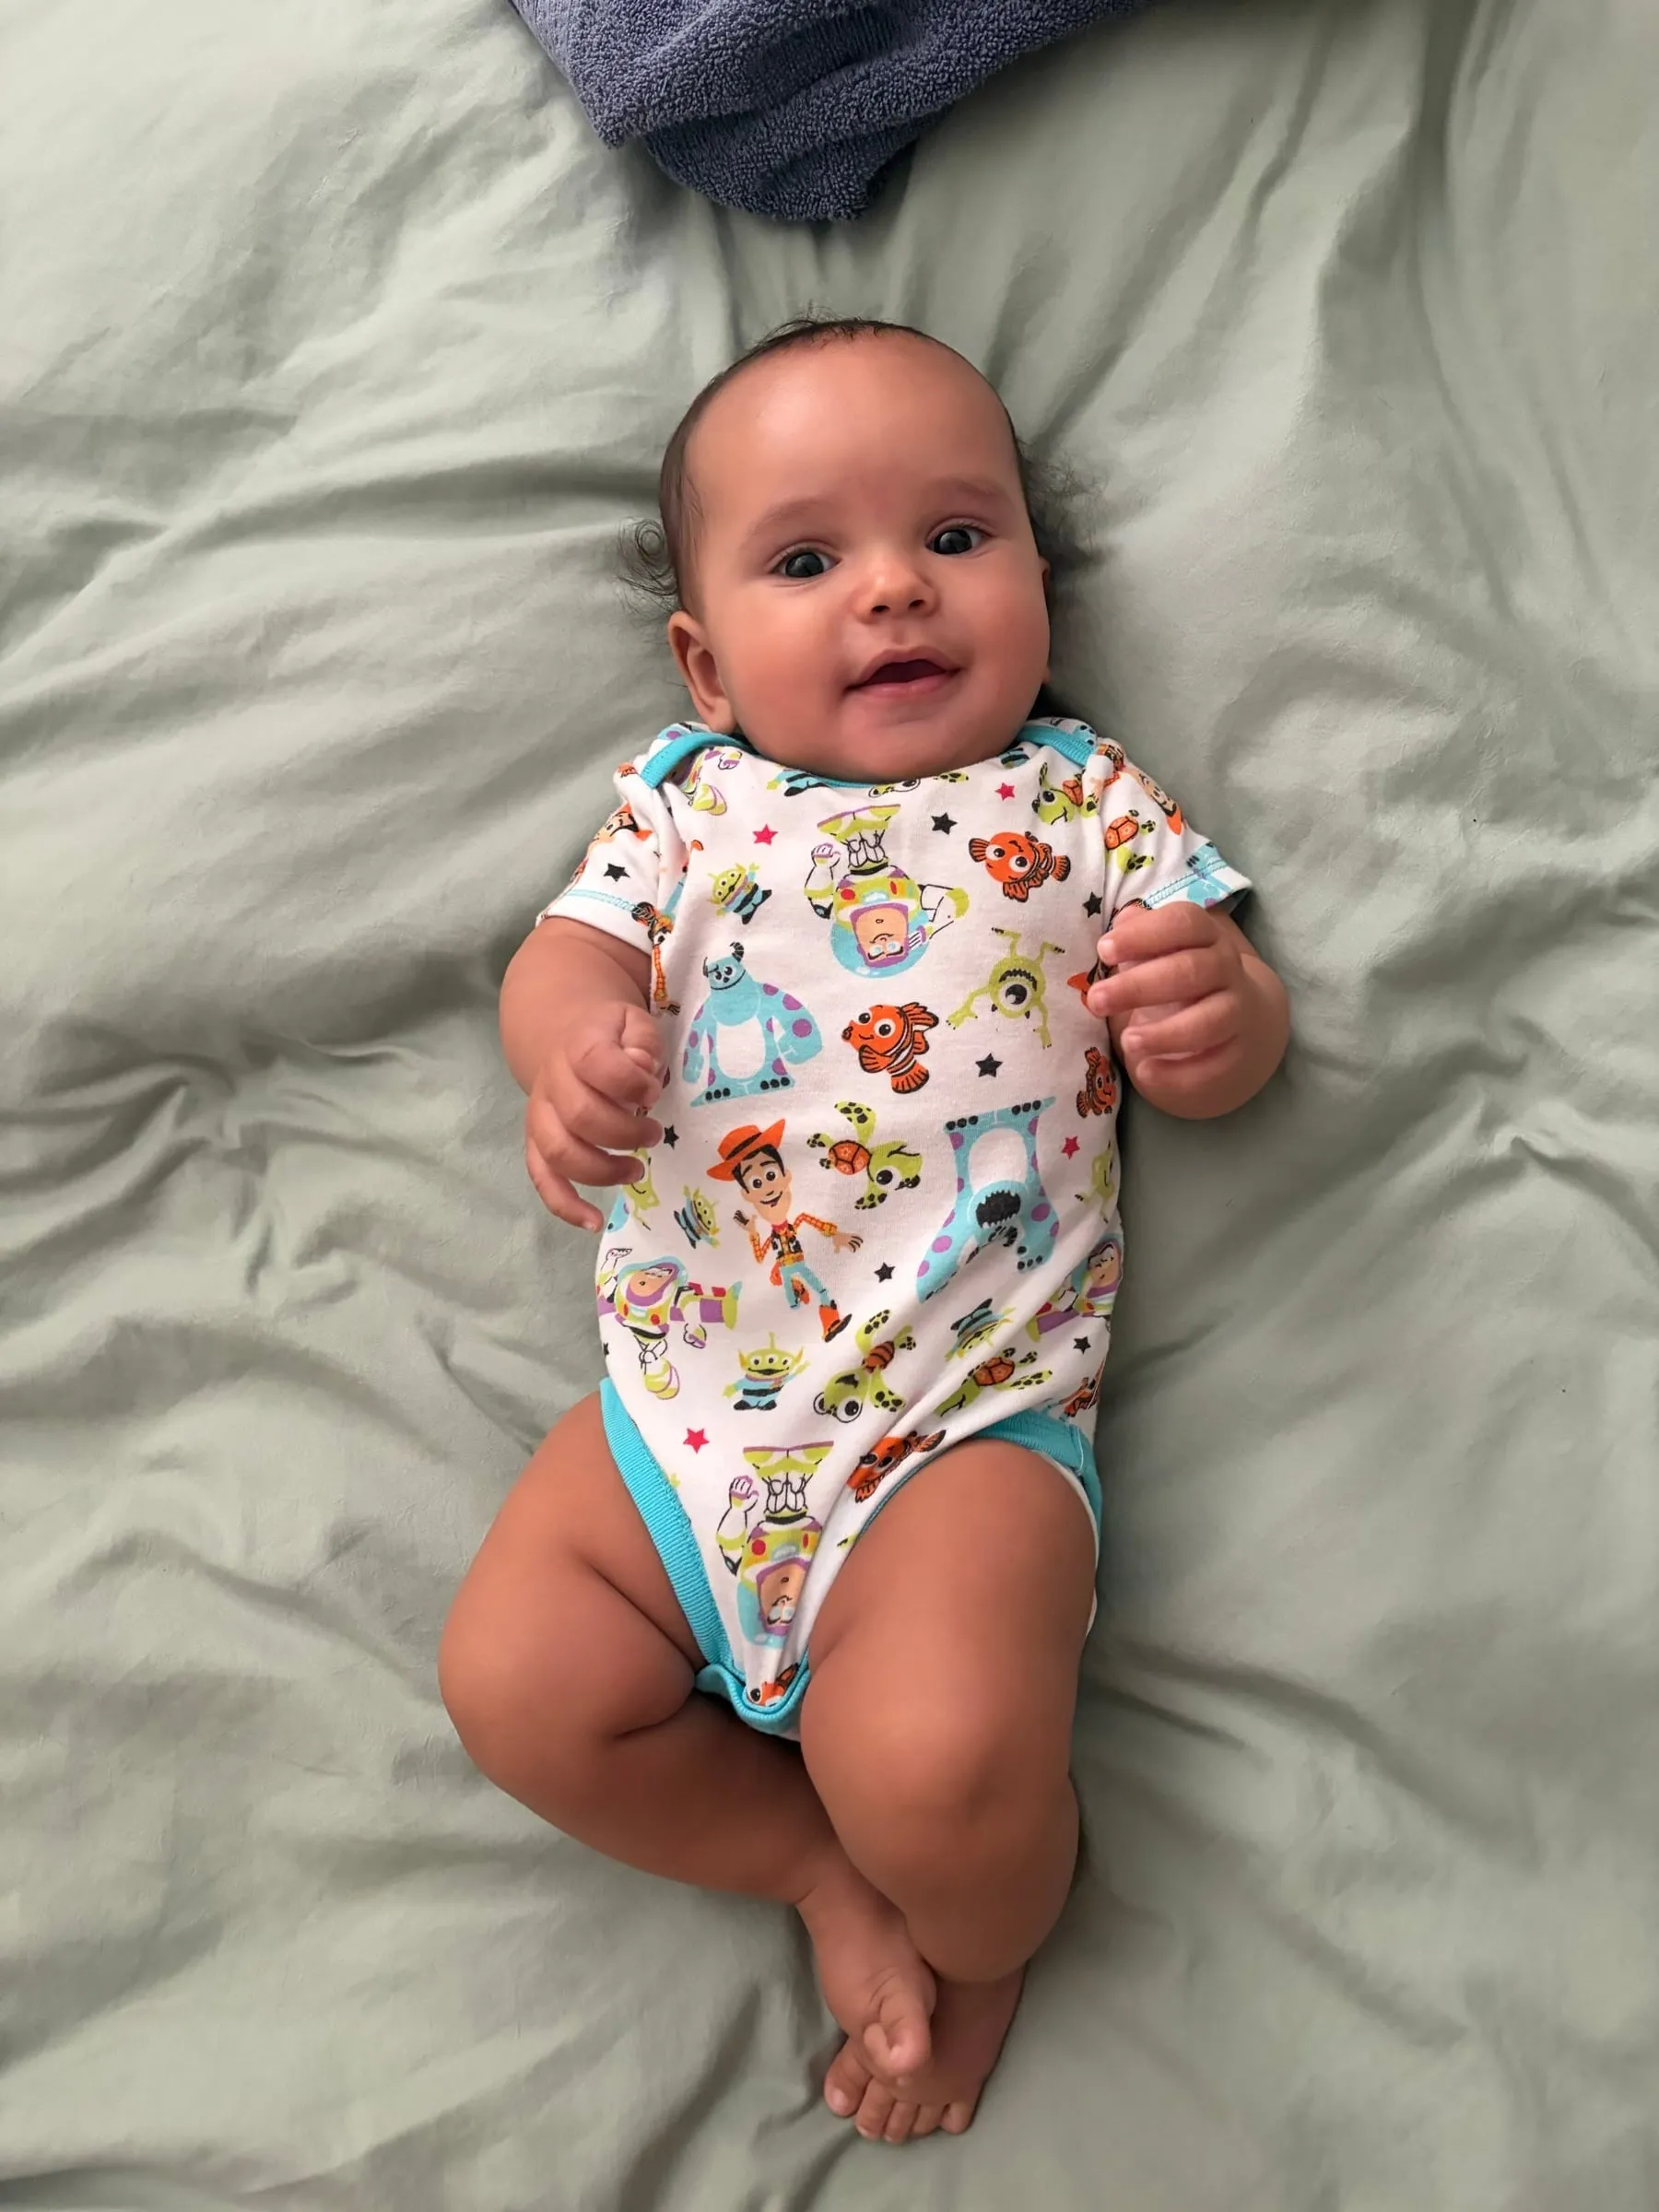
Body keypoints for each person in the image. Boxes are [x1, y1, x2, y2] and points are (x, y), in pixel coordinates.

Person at [440, 317, 1290, 2144]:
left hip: (958, 1428)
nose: (894, 591)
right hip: (683, 1412)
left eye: (958, 539)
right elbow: (563, 955)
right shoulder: (685, 801)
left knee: (948, 1775)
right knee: (515, 1687)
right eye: (808, 560)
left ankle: (976, 1934)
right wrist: (566, 1047)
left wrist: (1219, 1017)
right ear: (706, 658)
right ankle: (812, 1871)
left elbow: (1221, 1030)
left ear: (1041, 588)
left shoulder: (1081, 797)